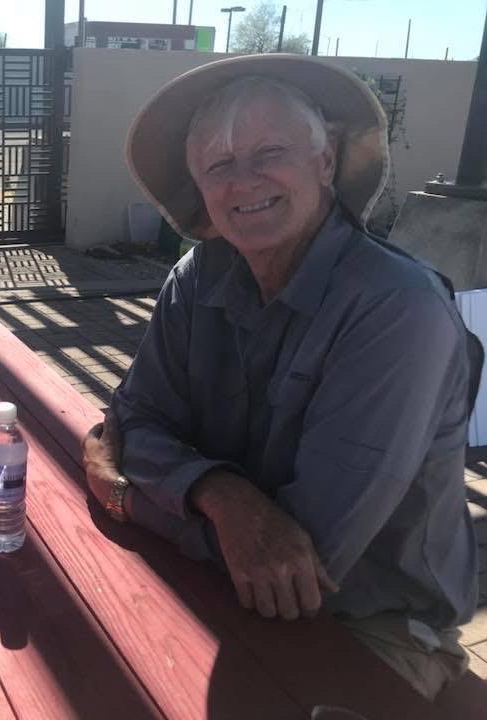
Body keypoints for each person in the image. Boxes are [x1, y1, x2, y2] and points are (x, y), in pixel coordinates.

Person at [81, 54, 478, 702]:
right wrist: (219, 492)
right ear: (199, 188)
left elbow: (301, 564)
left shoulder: (394, 308)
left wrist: (121, 489)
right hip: (221, 578)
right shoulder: (200, 273)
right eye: (219, 165)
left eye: (270, 152)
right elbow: (135, 418)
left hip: (373, 624)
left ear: (325, 162)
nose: (244, 182)